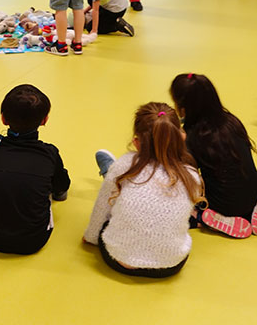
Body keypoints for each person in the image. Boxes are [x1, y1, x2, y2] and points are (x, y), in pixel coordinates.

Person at [84, 102, 203, 278]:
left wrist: (91, 237)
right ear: (181, 137)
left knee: (113, 202)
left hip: (120, 261)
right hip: (169, 266)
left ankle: (109, 171)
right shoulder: (191, 175)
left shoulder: (125, 164)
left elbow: (102, 208)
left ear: (137, 142)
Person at [169, 73, 257, 238]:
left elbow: (186, 175)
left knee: (179, 209)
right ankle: (250, 210)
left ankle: (210, 218)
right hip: (252, 193)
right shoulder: (231, 121)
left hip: (223, 204)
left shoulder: (193, 136)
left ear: (183, 106)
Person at [0, 84, 70, 255]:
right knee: (54, 192)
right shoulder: (49, 152)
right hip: (34, 240)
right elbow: (62, 187)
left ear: (3, 119)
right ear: (44, 120)